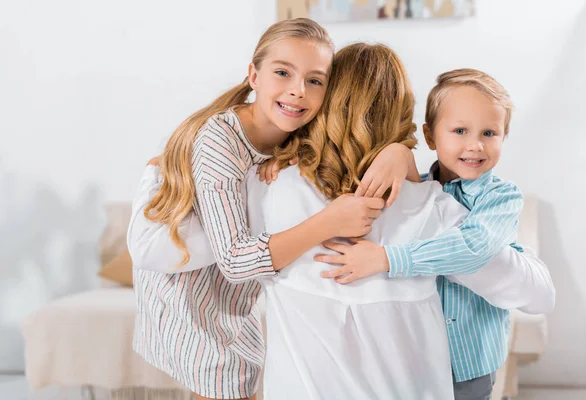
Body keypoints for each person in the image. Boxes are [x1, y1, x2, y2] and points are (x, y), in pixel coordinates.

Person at [130, 44, 554, 399]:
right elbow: (536, 295)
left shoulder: (267, 187)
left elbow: (157, 250)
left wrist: (160, 175)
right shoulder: (433, 206)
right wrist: (401, 155)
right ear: (408, 121)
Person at [130, 19, 418, 400]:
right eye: (283, 72)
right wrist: (328, 222)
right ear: (254, 76)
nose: (298, 91)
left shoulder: (300, 128)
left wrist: (399, 152)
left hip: (234, 294)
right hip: (188, 291)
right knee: (227, 382)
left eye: (315, 80)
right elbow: (233, 260)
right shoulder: (220, 139)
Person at [317, 68, 555, 399]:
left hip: (470, 363)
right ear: (430, 136)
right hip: (415, 359)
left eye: (490, 133)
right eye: (460, 130)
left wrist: (387, 259)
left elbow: (473, 247)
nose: (476, 145)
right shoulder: (416, 189)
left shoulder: (500, 197)